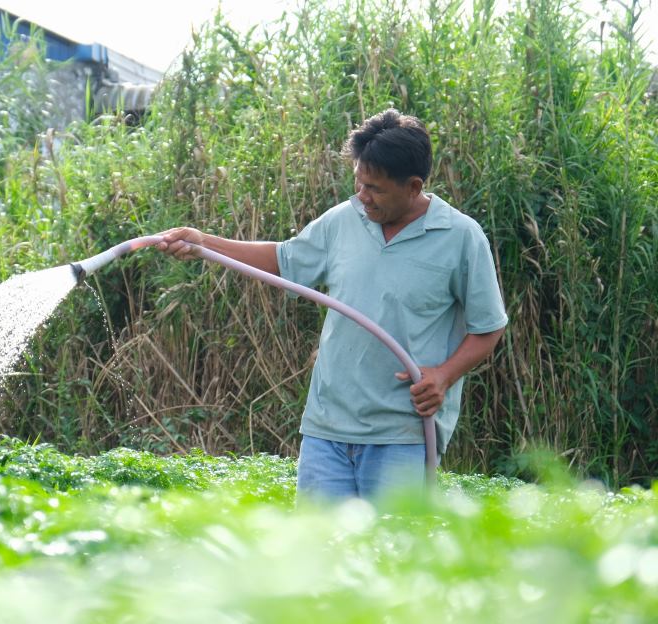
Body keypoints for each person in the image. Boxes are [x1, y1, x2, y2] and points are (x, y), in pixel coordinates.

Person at [157, 109, 508, 501]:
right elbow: (285, 260)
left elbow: (488, 326)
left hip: (402, 434)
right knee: (321, 554)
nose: (362, 195)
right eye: (359, 182)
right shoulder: (346, 219)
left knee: (392, 556)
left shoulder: (460, 236)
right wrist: (203, 242)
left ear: (412, 187)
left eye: (374, 188)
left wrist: (443, 375)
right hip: (326, 430)